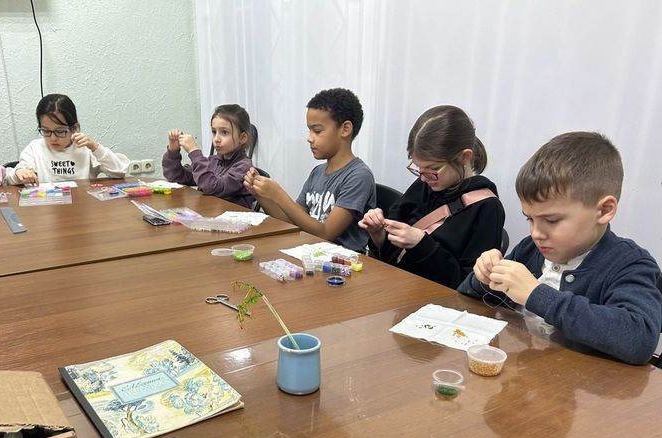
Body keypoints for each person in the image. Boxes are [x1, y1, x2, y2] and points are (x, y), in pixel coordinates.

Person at [459, 131, 662, 365]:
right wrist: (484, 278)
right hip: (526, 372)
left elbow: (639, 340)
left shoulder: (631, 264)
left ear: (604, 210)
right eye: (530, 219)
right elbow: (466, 296)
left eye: (552, 220)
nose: (536, 233)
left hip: (582, 383)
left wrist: (535, 294)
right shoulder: (530, 249)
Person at [359, 105, 504, 288]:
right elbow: (392, 257)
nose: (423, 177)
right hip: (398, 288)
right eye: (418, 168)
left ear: (464, 157)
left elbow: (470, 285)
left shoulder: (486, 208)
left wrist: (421, 244)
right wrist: (378, 234)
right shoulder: (425, 185)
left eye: (433, 169)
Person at [243, 88, 375, 254]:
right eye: (309, 130)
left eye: (317, 131)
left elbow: (326, 233)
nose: (309, 138)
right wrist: (261, 195)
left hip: (343, 262)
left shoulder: (358, 176)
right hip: (312, 255)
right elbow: (291, 222)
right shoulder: (317, 172)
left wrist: (278, 195)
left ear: (345, 129)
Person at [6, 94, 130, 184]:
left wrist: (96, 148)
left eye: (60, 131)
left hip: (82, 206)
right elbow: (10, 178)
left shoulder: (85, 148)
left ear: (74, 128)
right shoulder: (35, 148)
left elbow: (119, 172)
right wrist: (19, 173)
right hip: (48, 206)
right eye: (46, 131)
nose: (53, 138)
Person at [162, 104, 255, 208]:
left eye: (224, 132)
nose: (216, 139)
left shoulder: (243, 167)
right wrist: (173, 151)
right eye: (214, 132)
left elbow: (213, 187)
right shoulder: (213, 161)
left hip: (233, 217)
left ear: (242, 138)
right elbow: (176, 177)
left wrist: (194, 152)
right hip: (209, 213)